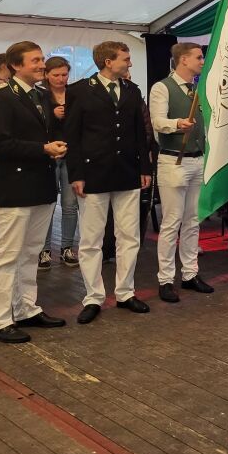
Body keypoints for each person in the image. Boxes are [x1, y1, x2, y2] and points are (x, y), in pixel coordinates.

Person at [0, 42, 67, 343]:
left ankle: (26, 308)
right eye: (35, 60)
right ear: (16, 66)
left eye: (42, 58)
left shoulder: (41, 95)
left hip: (41, 185)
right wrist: (43, 149)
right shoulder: (0, 97)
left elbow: (46, 133)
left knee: (31, 252)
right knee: (6, 256)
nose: (42, 64)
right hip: (14, 187)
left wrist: (57, 144)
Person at [65, 41, 152, 325]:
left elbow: (140, 133)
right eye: (125, 58)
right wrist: (76, 174)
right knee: (91, 240)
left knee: (129, 236)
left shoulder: (132, 90)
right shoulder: (79, 91)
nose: (130, 63)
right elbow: (72, 135)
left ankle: (125, 292)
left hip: (128, 172)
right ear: (108, 62)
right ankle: (93, 297)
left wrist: (144, 167)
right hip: (93, 173)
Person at [149, 42, 215, 303]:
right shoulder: (162, 87)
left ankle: (190, 274)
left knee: (192, 221)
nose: (202, 61)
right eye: (198, 57)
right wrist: (177, 123)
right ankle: (165, 279)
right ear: (183, 60)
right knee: (171, 222)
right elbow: (157, 121)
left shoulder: (199, 89)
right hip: (173, 161)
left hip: (198, 160)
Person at [36, 57, 78, 269]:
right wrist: (52, 115)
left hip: (70, 153)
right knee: (48, 205)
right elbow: (35, 125)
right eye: (56, 75)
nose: (61, 79)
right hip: (49, 155)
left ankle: (67, 247)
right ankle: (43, 249)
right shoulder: (40, 95)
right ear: (46, 75)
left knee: (70, 205)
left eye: (64, 74)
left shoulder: (74, 94)